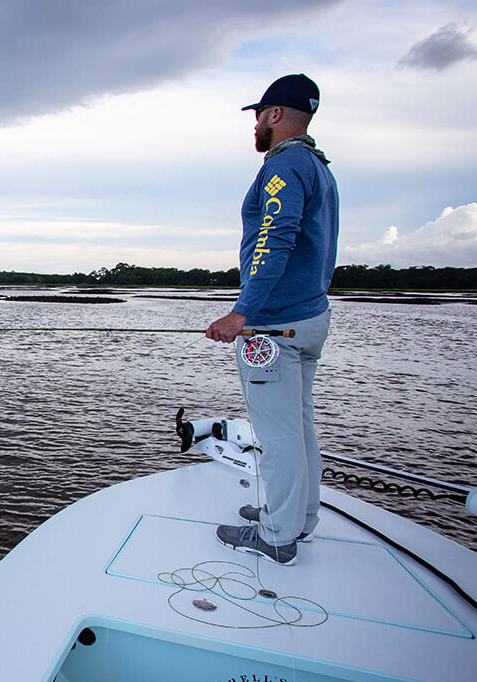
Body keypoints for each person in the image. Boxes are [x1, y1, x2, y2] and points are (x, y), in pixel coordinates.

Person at [205, 73, 339, 566]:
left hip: (274, 328)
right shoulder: (319, 166)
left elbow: (274, 239)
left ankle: (278, 537)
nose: (256, 124)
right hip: (309, 318)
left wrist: (243, 313)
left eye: (260, 115)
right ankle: (298, 520)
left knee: (279, 436)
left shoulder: (283, 167)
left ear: (276, 115)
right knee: (299, 428)